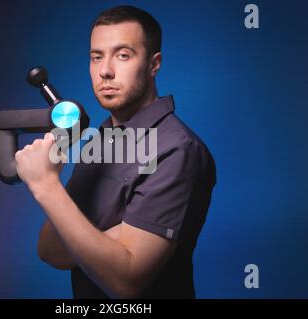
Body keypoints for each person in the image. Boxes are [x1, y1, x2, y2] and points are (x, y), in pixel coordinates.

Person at [15, 5, 217, 299]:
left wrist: (46, 185)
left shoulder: (177, 149)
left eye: (123, 55)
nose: (105, 70)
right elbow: (51, 252)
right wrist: (115, 242)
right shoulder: (101, 139)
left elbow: (126, 282)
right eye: (97, 57)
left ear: (153, 64)